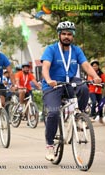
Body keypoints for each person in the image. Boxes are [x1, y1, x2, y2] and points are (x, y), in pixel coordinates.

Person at [41, 21, 101, 161]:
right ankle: (50, 145)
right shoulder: (51, 49)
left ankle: (80, 115)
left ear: (73, 36)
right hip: (53, 85)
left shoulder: (76, 50)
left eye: (69, 34)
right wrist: (49, 79)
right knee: (54, 112)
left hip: (69, 82)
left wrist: (96, 76)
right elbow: (45, 67)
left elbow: (85, 65)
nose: (66, 36)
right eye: (64, 34)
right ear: (59, 35)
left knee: (84, 87)